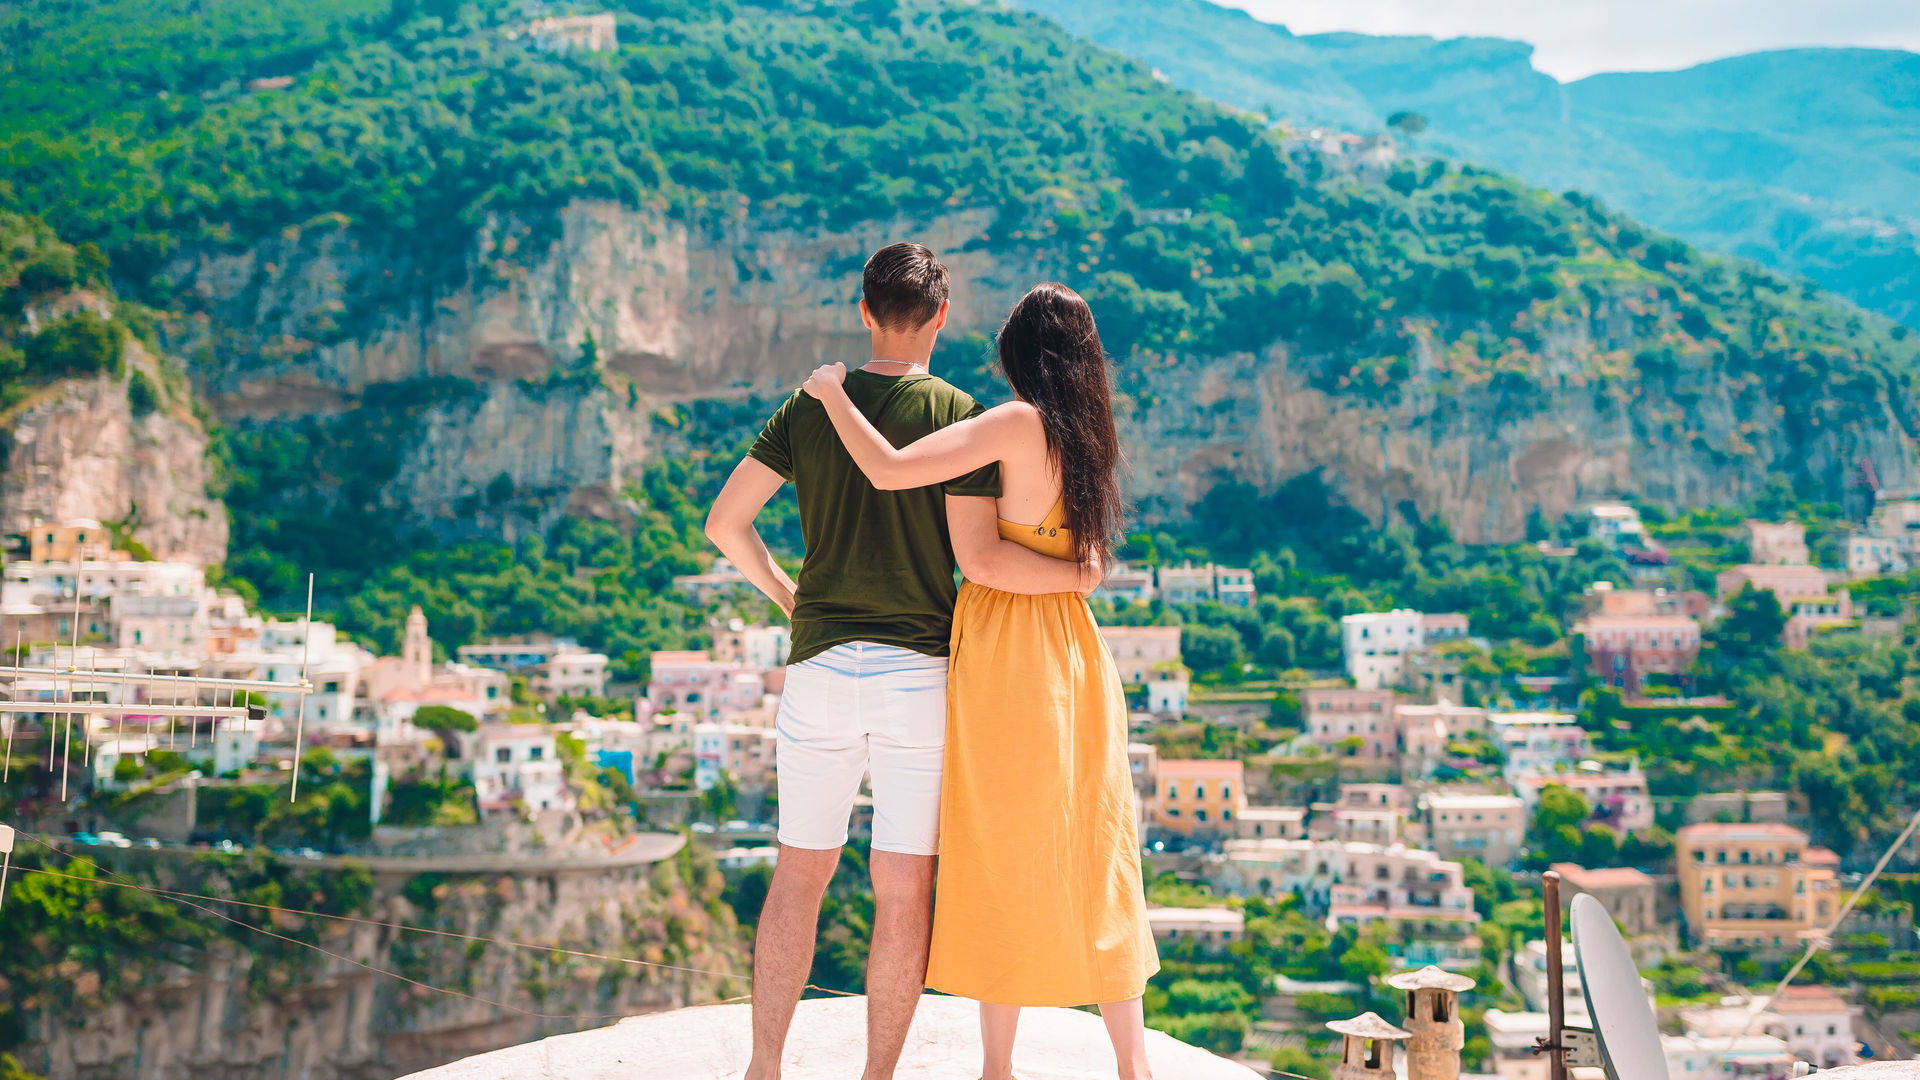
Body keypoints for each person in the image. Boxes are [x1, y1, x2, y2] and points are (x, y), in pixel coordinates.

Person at [704, 245, 1100, 1080]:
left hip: (818, 669)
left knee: (799, 875)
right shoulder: (962, 412)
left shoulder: (810, 408)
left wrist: (789, 597)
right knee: (902, 889)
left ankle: (764, 1068)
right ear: (943, 317)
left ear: (862, 310)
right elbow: (980, 556)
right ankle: (877, 1077)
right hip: (920, 671)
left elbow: (725, 526)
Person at [800, 281, 1159, 1080]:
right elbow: (1084, 561)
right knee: (1094, 846)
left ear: (1018, 352)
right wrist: (1082, 577)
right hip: (1074, 652)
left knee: (1000, 846)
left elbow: (896, 475)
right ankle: (1132, 1065)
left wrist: (830, 394)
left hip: (1010, 652)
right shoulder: (1089, 433)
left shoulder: (1012, 422)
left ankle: (998, 1065)